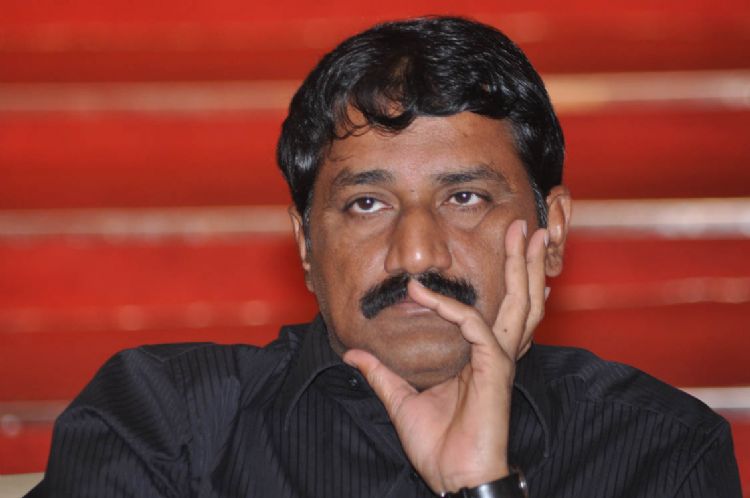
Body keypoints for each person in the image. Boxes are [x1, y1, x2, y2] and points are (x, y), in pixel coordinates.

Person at [28, 16, 741, 498]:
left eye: (464, 197)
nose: (417, 252)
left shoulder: (659, 451)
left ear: (550, 234)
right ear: (306, 245)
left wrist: (480, 487)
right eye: (367, 203)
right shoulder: (165, 423)